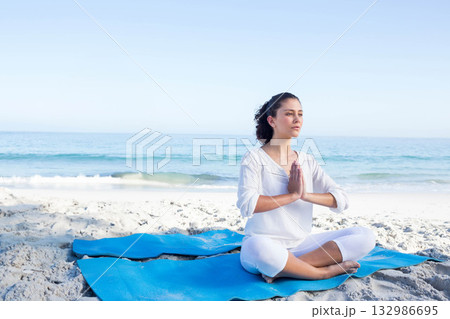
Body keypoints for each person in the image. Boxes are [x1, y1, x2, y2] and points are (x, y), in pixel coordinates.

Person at [236, 92, 376, 283]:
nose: (297, 120)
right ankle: (323, 272)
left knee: (365, 236)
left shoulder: (307, 161)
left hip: (303, 244)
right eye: (289, 114)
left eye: (300, 114)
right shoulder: (254, 158)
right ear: (272, 120)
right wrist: (292, 195)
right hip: (264, 243)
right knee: (257, 249)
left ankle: (289, 267)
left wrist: (305, 195)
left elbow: (341, 200)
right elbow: (248, 205)